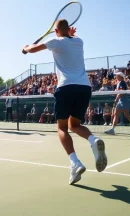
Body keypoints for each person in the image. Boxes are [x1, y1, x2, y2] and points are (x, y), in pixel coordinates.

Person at [22, 20, 107, 185]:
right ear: (69, 30)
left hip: (66, 88)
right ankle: (93, 141)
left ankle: (75, 162)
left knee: (61, 128)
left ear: (55, 31)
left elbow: (32, 50)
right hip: (84, 88)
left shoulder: (55, 41)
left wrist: (25, 48)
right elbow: (69, 40)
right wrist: (70, 34)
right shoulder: (78, 41)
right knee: (74, 125)